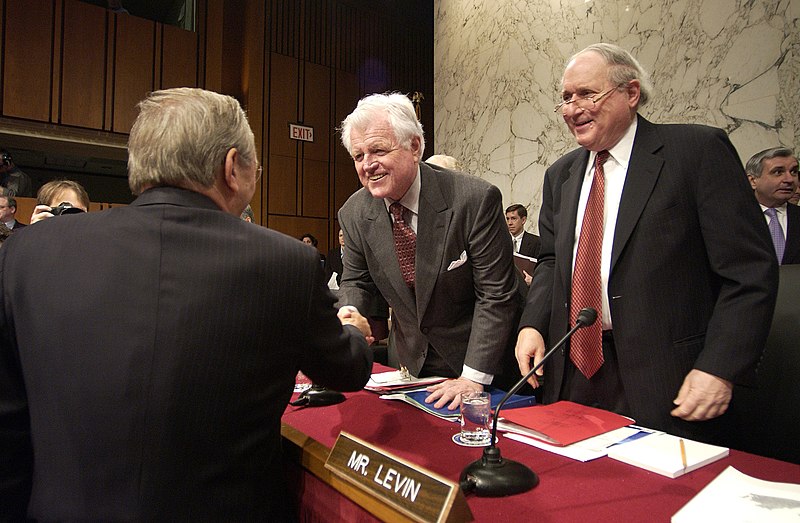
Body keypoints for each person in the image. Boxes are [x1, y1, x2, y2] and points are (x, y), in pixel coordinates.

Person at [0, 87, 373, 520]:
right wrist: (356, 334)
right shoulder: (285, 262)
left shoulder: (26, 253)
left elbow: (8, 425)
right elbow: (345, 370)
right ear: (233, 167)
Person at [515, 43, 777, 442]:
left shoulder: (696, 152)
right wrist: (532, 324)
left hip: (671, 382)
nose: (571, 108)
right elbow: (551, 261)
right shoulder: (560, 175)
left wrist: (721, 366)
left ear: (631, 94)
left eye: (587, 94)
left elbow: (749, 272)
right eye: (566, 97)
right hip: (573, 375)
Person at [338, 92, 521, 408]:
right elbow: (356, 282)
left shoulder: (474, 200)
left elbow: (496, 295)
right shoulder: (354, 212)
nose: (367, 165)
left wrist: (472, 378)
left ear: (414, 147)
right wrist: (349, 313)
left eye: (378, 150)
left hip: (477, 369)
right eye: (358, 156)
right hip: (408, 369)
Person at [745, 147, 800, 264]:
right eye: (778, 172)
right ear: (753, 181)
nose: (789, 179)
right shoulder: (732, 219)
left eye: (794, 172)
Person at [506, 203, 540, 286]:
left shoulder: (536, 242)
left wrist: (533, 281)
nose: (509, 223)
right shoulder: (501, 242)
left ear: (523, 220)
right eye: (507, 219)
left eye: (513, 219)